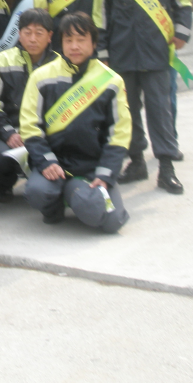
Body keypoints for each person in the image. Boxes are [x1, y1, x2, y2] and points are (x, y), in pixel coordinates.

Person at [101, 0, 192, 194]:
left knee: (160, 110)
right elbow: (100, 14)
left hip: (156, 51)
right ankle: (136, 161)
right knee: (127, 111)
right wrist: (102, 53)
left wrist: (182, 32)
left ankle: (166, 168)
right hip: (121, 52)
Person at [19, 13, 131, 233]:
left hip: (92, 168)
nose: (74, 46)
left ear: (94, 43)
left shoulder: (111, 81)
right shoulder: (41, 77)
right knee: (37, 192)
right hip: (55, 165)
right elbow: (30, 126)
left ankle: (76, 193)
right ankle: (56, 204)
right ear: (61, 42)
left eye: (81, 40)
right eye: (68, 40)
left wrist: (105, 174)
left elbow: (119, 134)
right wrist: (47, 162)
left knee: (112, 222)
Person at [0, 8, 59, 202]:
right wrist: (8, 133)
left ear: (49, 36)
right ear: (19, 34)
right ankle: (5, 184)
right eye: (27, 32)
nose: (32, 39)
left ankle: (46, 184)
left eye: (39, 33)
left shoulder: (60, 64)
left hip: (45, 132)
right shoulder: (2, 61)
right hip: (12, 129)